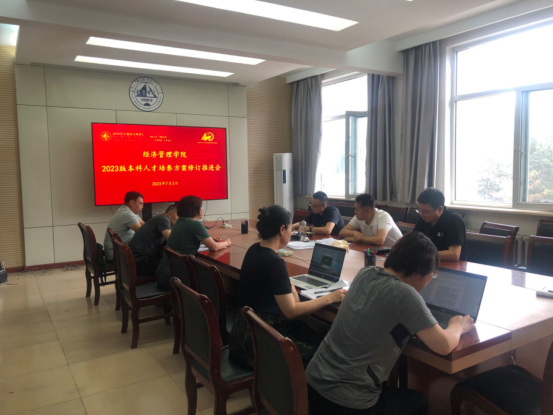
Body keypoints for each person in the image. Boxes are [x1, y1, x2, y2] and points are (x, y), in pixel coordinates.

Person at [306, 232, 474, 415]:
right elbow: (444, 345)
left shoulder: (366, 273)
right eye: (432, 275)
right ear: (419, 271)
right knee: (418, 402)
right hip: (348, 403)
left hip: (312, 386)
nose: (429, 280)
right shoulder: (405, 294)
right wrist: (458, 325)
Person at [229, 205, 346, 369]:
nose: (292, 232)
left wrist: (286, 280)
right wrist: (330, 297)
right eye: (291, 228)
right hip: (258, 345)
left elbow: (295, 301)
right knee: (321, 352)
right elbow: (291, 311)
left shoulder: (254, 249)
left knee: (308, 331)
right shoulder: (275, 263)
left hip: (243, 334)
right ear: (282, 229)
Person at [156, 195, 231, 291]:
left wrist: (208, 239)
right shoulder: (195, 224)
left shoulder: (180, 221)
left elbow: (187, 238)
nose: (202, 209)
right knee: (214, 277)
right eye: (201, 206)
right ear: (196, 209)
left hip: (164, 274)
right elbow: (214, 247)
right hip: (176, 279)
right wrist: (227, 242)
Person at [413, 188, 467, 261]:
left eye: (426, 211)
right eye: (419, 210)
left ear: (440, 209)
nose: (422, 214)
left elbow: (454, 254)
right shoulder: (423, 218)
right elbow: (413, 241)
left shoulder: (454, 220)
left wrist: (423, 254)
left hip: (451, 265)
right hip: (428, 262)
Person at [128, 204, 178, 277]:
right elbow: (172, 240)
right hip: (139, 262)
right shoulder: (163, 219)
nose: (180, 219)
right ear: (170, 214)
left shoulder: (160, 218)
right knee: (175, 268)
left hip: (135, 260)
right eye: (179, 216)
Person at [103, 191, 145, 262]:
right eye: (140, 203)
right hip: (116, 255)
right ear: (131, 202)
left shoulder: (126, 210)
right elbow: (143, 232)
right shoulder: (127, 214)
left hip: (117, 251)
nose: (142, 207)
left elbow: (144, 224)